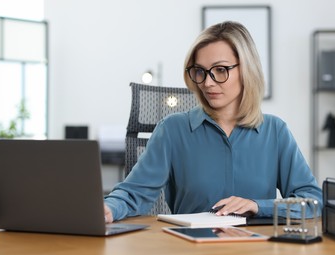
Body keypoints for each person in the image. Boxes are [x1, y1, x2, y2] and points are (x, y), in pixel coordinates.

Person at [104, 21, 322, 223]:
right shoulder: (172, 130)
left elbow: (313, 201)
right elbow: (133, 193)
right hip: (191, 248)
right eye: (200, 71)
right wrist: (109, 208)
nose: (207, 83)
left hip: (256, 249)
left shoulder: (275, 131)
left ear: (246, 70)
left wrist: (258, 206)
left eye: (220, 70)